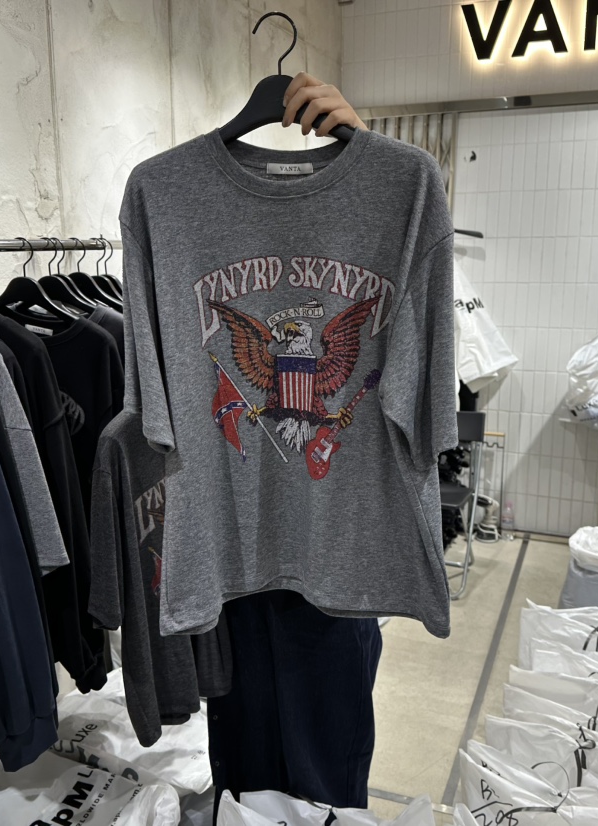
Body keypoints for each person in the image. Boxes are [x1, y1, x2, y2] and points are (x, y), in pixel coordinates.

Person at [206, 73, 383, 817]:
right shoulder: (180, 199)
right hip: (235, 561)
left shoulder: (390, 200)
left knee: (325, 784)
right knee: (244, 782)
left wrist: (365, 155)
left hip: (338, 564)